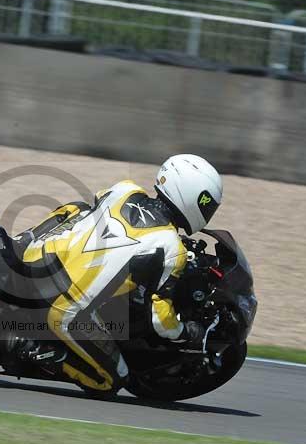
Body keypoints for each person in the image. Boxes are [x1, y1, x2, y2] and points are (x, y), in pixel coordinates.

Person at [12, 154, 223, 394]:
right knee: (112, 379)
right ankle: (31, 347)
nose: (208, 211)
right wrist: (187, 332)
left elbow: (99, 207)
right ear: (192, 196)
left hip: (39, 262)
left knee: (79, 209)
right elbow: (159, 318)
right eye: (207, 204)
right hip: (66, 307)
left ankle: (22, 241)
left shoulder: (125, 190)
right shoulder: (172, 248)